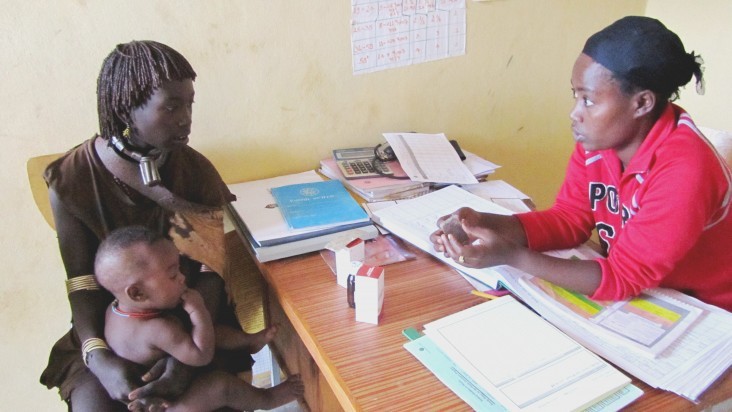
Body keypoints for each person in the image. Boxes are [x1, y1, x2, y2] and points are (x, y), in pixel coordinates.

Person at [431, 16, 732, 311]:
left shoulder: (685, 170)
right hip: (649, 297)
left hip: (710, 316)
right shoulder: (600, 142)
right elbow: (569, 219)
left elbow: (622, 276)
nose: (574, 114)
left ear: (641, 103)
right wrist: (483, 224)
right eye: (576, 95)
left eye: (588, 100)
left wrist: (513, 256)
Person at [40, 40, 277, 411]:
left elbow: (208, 272)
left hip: (196, 317)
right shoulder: (72, 180)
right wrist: (98, 357)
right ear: (126, 110)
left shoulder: (194, 171)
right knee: (93, 404)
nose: (186, 118)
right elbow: (82, 284)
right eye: (171, 106)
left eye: (189, 103)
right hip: (113, 330)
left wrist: (183, 357)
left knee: (212, 395)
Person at [95, 226, 303, 411]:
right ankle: (267, 399)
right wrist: (198, 311)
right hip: (170, 405)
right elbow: (201, 355)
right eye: (173, 275)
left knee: (206, 331)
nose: (183, 278)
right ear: (137, 293)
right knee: (220, 385)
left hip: (156, 378)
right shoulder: (158, 329)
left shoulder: (114, 310)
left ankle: (248, 342)